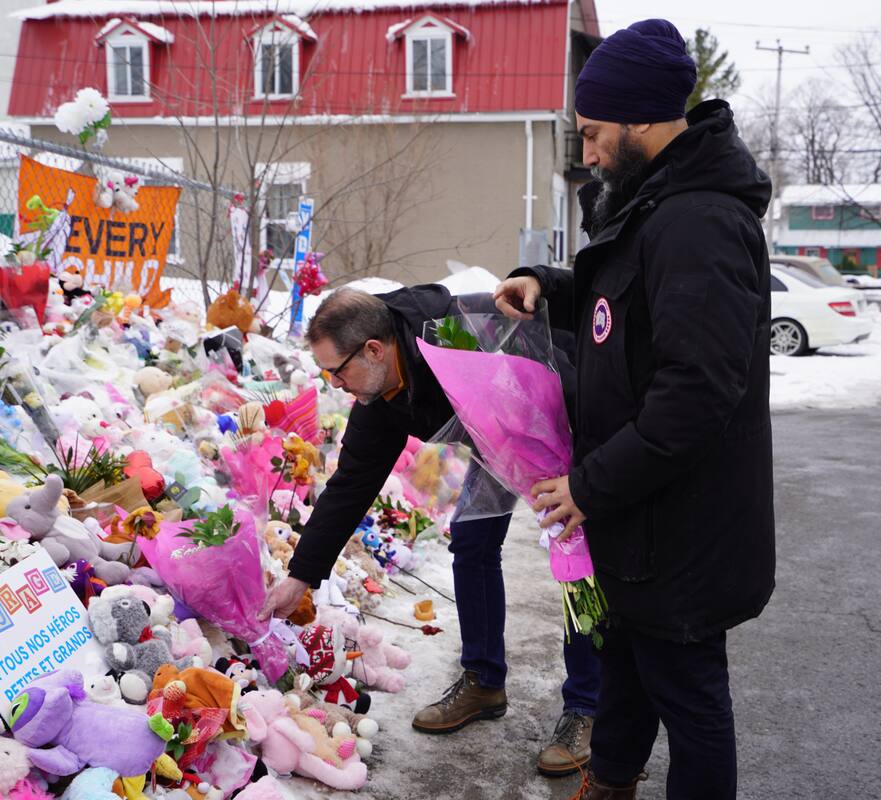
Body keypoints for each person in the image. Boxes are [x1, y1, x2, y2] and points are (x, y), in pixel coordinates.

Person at [495, 18, 775, 800]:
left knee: (689, 699)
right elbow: (626, 307)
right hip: (636, 518)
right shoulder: (653, 204)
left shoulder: (700, 221)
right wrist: (548, 289)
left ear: (641, 120)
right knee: (623, 665)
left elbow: (697, 391)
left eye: (592, 133)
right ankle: (611, 780)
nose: (585, 152)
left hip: (684, 531)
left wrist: (589, 487)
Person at [258, 286, 600, 775]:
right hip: (496, 436)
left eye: (337, 370)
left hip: (563, 419)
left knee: (576, 556)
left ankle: (587, 706)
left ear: (374, 349)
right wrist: (301, 575)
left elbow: (558, 364)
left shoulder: (458, 332)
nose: (334, 384)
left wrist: (587, 480)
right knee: (472, 539)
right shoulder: (378, 392)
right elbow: (350, 485)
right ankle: (483, 681)